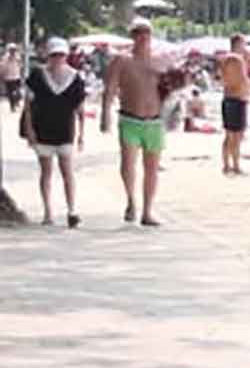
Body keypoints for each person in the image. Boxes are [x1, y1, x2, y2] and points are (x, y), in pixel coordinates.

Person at [101, 17, 171, 227]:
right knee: (128, 163)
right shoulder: (122, 60)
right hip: (130, 118)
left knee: (152, 168)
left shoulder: (160, 61)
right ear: (132, 36)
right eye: (138, 33)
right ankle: (131, 200)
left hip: (154, 121)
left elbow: (171, 89)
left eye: (146, 33)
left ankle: (147, 211)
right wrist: (105, 114)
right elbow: (111, 88)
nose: (142, 37)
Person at [21, 38, 87, 228]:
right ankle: (48, 212)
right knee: (46, 172)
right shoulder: (37, 76)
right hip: (43, 130)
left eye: (61, 55)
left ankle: (72, 210)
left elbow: (80, 109)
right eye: (54, 55)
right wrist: (29, 129)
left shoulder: (75, 78)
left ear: (66, 56)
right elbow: (28, 106)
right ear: (48, 56)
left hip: (65, 131)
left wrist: (82, 134)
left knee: (67, 171)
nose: (58, 59)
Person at [219, 33, 250, 176]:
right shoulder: (238, 59)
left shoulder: (224, 59)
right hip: (237, 98)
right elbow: (243, 79)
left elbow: (222, 78)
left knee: (228, 135)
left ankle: (226, 164)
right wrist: (248, 91)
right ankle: (236, 165)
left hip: (227, 97)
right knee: (237, 135)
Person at [2, 44, 21, 113]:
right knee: (10, 93)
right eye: (11, 49)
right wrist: (2, 75)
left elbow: (20, 65)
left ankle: (17, 101)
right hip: (8, 78)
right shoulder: (5, 58)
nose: (13, 51)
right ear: (9, 50)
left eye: (14, 49)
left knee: (17, 92)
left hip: (16, 77)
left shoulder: (17, 56)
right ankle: (12, 106)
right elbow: (3, 67)